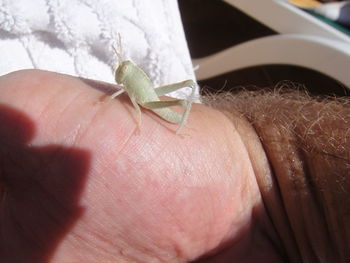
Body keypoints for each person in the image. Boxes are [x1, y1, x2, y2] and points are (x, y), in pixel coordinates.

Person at [0, 69, 349, 262]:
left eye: (122, 68)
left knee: (174, 91)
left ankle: (188, 122)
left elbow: (133, 99)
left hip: (154, 105)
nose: (119, 70)